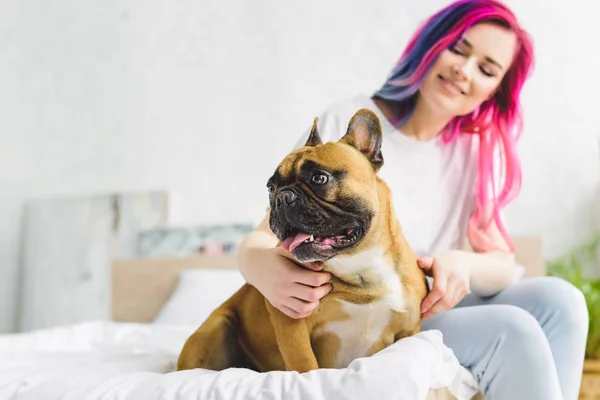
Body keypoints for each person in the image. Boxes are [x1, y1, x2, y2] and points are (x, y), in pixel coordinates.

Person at [237, 0, 589, 399]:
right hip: (382, 311)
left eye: (487, 69)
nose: (464, 70)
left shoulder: (475, 151)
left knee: (564, 300)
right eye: (458, 48)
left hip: (431, 300)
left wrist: (462, 263)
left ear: (495, 90)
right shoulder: (348, 124)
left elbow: (504, 267)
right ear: (431, 44)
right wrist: (253, 262)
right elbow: (266, 233)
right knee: (513, 329)